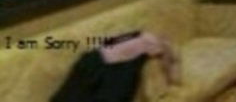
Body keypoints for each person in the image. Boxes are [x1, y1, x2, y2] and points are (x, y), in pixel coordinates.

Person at [51, 31, 179, 102]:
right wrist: (172, 78)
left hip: (94, 58)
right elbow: (170, 62)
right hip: (107, 65)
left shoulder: (135, 36)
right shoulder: (152, 42)